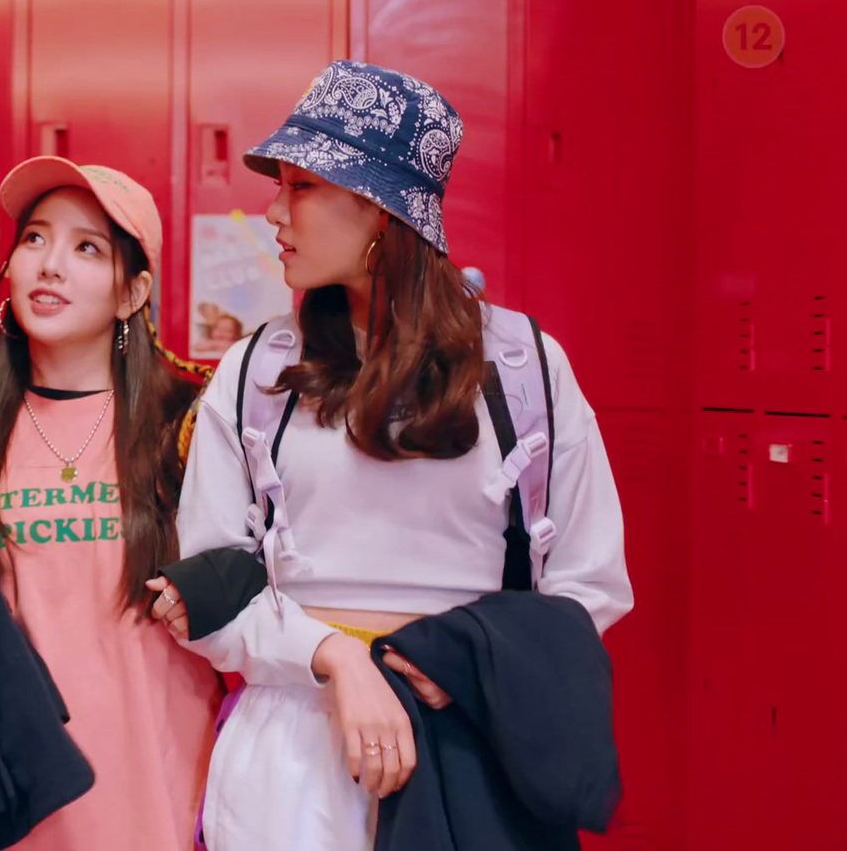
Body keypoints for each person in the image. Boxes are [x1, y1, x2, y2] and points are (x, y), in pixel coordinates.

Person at [145, 60, 633, 850]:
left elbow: (590, 579)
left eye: (300, 186)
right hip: (294, 759)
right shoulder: (255, 372)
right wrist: (334, 656)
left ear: (379, 209)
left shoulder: (525, 366)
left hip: (475, 745)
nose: (272, 211)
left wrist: (462, 665)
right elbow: (211, 582)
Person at [0, 155, 222, 851]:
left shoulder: (189, 436)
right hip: (4, 812)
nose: (50, 264)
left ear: (132, 293)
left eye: (87, 248)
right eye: (35, 239)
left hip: (154, 803)